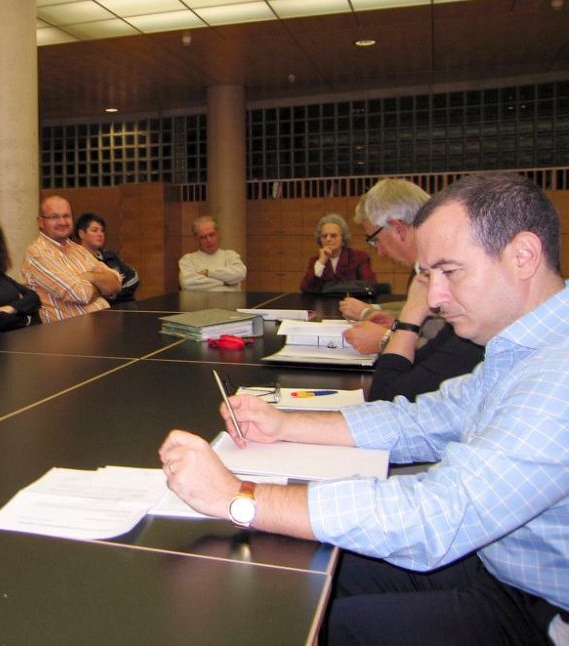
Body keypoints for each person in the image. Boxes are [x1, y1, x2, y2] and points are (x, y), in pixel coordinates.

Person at [160, 173, 569, 645]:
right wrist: (286, 423)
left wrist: (238, 495)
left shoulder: (557, 375)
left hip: (542, 613)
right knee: (305, 580)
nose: (435, 298)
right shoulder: (522, 349)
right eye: (429, 275)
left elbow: (436, 515)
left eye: (450, 272)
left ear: (523, 256)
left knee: (330, 624)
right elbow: (422, 421)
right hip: (499, 569)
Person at [341, 178, 483, 401]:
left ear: (398, 228)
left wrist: (390, 337)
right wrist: (398, 326)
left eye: (375, 240)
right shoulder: (430, 273)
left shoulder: (450, 283)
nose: (379, 252)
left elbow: (388, 398)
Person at [21, 196, 122, 323]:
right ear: (40, 222)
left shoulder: (78, 249)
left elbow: (116, 282)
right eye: (54, 217)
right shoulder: (38, 254)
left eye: (66, 216)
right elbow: (81, 294)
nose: (62, 222)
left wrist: (89, 277)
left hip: (103, 326)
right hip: (69, 332)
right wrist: (103, 287)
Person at [298, 213, 376, 293]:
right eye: (324, 236)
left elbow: (369, 285)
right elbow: (305, 288)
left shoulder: (359, 257)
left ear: (343, 239)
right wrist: (321, 263)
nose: (328, 239)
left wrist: (328, 287)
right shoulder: (316, 261)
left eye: (333, 235)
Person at [74, 212, 140, 304]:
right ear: (81, 233)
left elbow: (133, 278)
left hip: (123, 306)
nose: (100, 234)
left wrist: (114, 291)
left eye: (102, 231)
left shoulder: (110, 257)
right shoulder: (75, 260)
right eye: (94, 230)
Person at [178, 216, 247, 291]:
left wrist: (208, 273)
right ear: (196, 239)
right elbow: (187, 283)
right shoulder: (188, 260)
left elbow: (240, 274)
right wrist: (225, 282)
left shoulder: (230, 255)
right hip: (200, 299)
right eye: (203, 237)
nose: (209, 240)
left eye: (212, 235)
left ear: (218, 234)